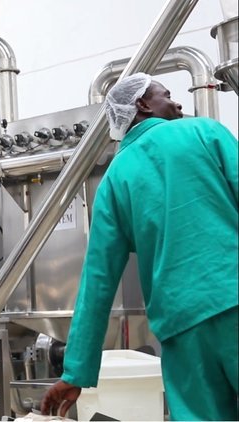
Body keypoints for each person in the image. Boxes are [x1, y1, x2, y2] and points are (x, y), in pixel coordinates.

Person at [40, 73, 238, 420]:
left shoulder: (115, 179)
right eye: (167, 95)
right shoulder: (205, 132)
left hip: (181, 328)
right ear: (143, 105)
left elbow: (97, 283)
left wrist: (76, 372)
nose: (177, 103)